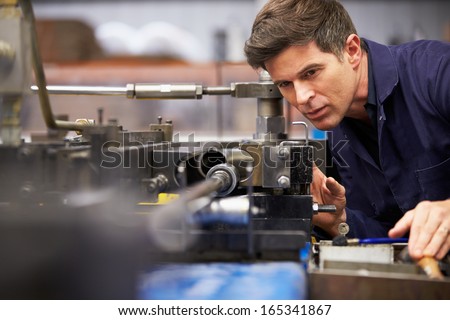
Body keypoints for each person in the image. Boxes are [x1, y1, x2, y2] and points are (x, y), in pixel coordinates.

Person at [244, 0, 450, 260]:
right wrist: (339, 219)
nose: (301, 97)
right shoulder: (338, 131)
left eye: (311, 72)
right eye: (285, 83)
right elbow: (392, 239)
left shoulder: (438, 74)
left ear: (351, 50)